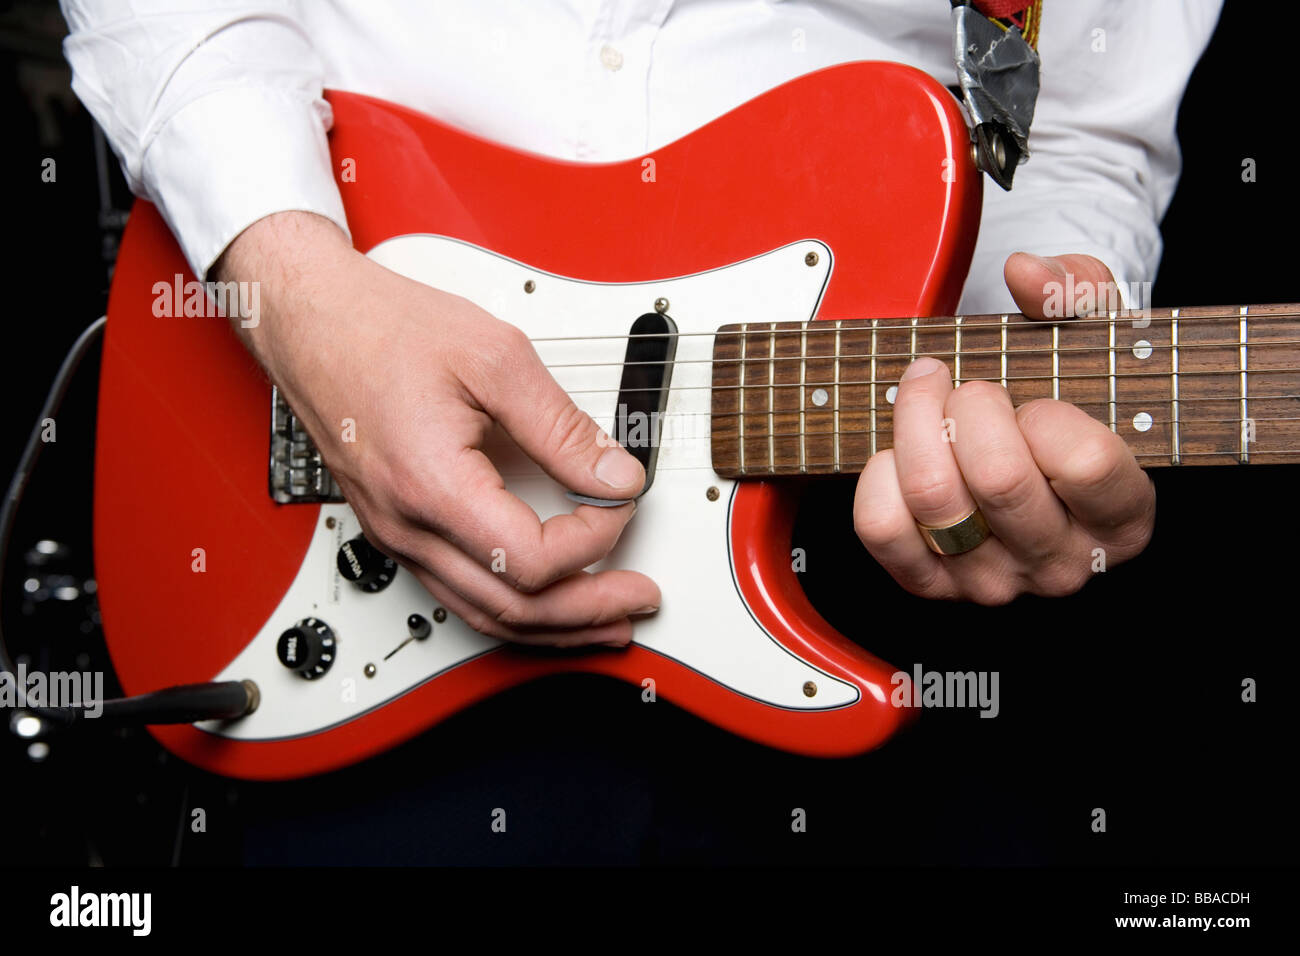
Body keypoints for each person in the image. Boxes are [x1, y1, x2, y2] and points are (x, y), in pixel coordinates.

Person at [59, 0, 1221, 641]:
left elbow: (1074, 121)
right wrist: (302, 297)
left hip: (867, 573)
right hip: (327, 473)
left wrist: (1033, 372)